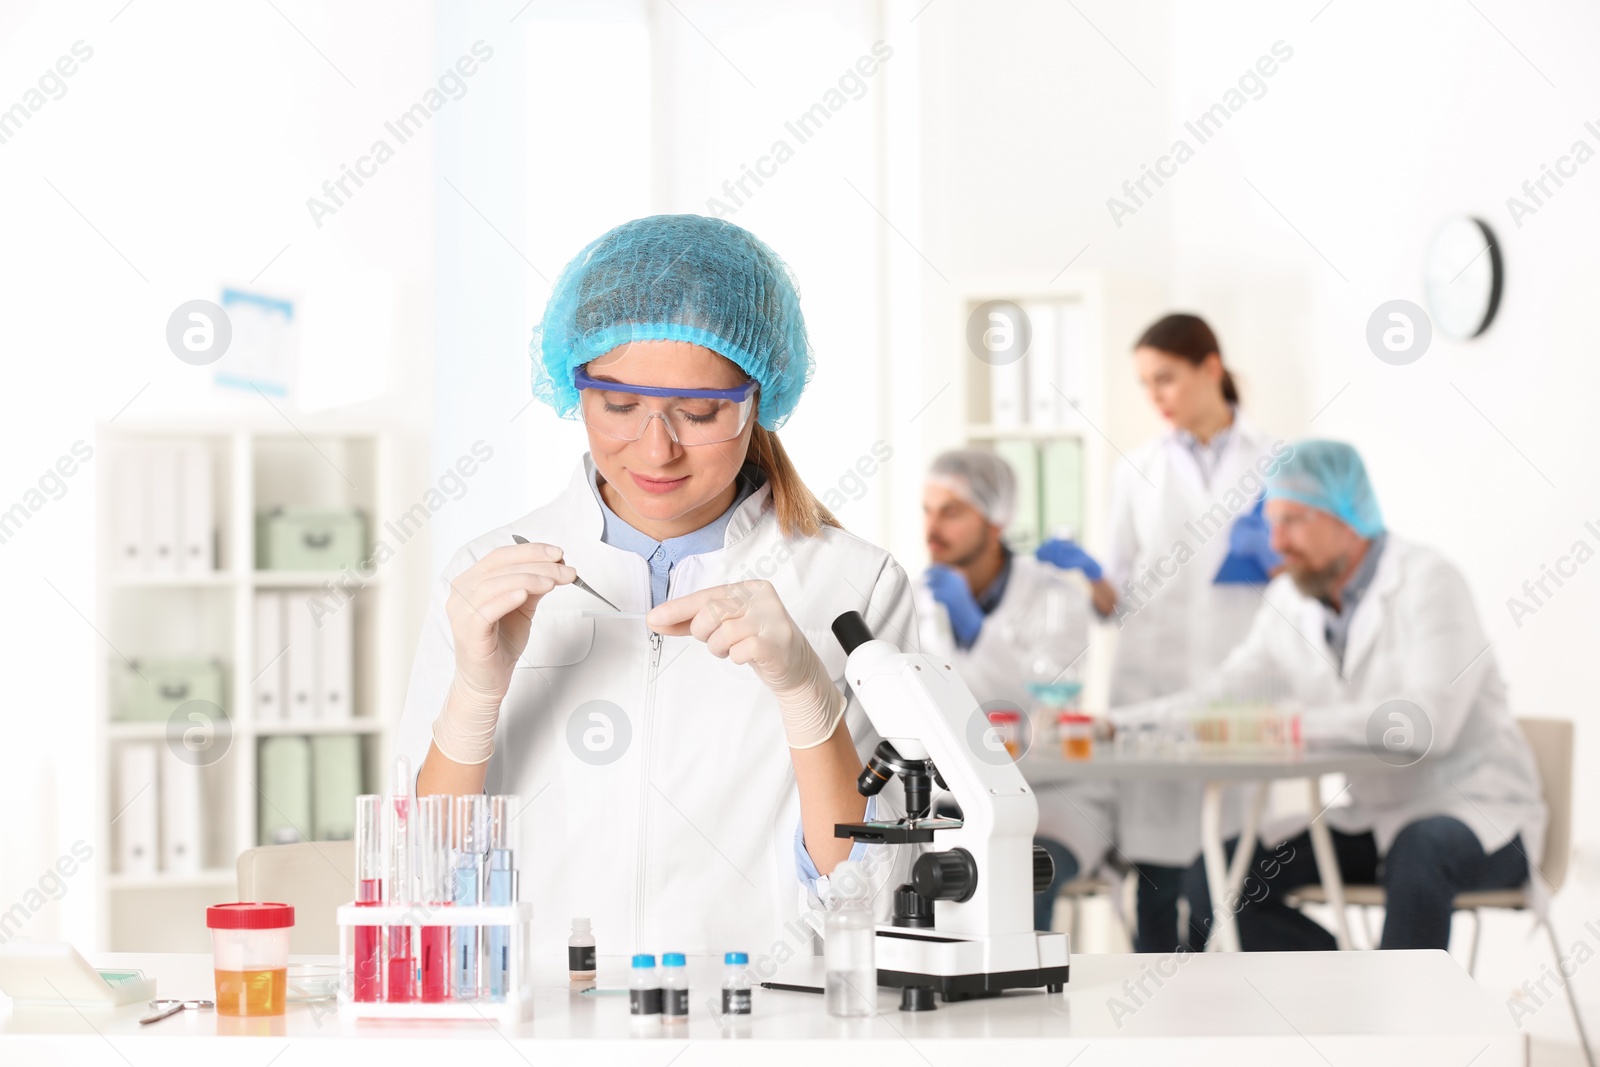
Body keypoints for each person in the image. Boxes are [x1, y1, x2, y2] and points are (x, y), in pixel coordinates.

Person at [395, 214, 915, 958]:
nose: (656, 449)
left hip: (760, 1018)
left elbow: (875, 889)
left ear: (758, 397)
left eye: (700, 413)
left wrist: (809, 698)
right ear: (575, 388)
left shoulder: (852, 583)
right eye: (619, 406)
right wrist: (476, 694)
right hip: (541, 1017)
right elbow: (416, 878)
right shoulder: (485, 573)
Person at [1166, 440, 1545, 950]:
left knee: (1420, 852)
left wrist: (1294, 725)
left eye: (1294, 520)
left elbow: (1426, 723)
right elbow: (1223, 692)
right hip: (1371, 817)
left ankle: (1402, 1029)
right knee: (1215, 879)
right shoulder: (1289, 601)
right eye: (1273, 521)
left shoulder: (1430, 582)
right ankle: (1350, 996)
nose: (1276, 541)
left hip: (1478, 812)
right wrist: (1120, 723)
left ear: (1347, 515)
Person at [1034, 313, 1287, 952]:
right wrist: (1091, 576)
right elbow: (1113, 600)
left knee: (1223, 872)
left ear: (1211, 369)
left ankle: (1218, 1023)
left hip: (1237, 688)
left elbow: (1304, 585)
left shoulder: (1278, 463)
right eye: (1146, 384)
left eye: (1166, 379)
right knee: (1155, 873)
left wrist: (1278, 561)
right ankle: (1152, 1027)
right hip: (1150, 683)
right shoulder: (1137, 469)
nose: (1156, 398)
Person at [914, 450, 1114, 932]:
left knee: (1016, 876)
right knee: (908, 880)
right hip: (959, 800)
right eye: (927, 510)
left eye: (952, 512)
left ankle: (1018, 999)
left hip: (1055, 798)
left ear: (996, 520)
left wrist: (980, 630)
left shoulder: (1053, 596)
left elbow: (1041, 710)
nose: (932, 528)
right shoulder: (921, 598)